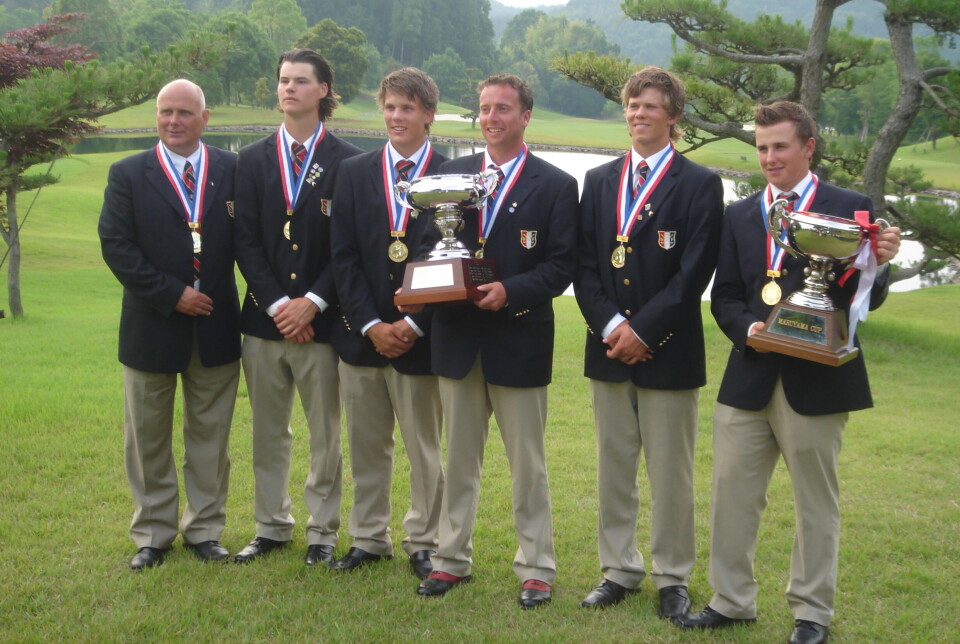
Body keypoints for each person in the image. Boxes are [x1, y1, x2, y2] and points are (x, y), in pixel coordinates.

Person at [674, 101, 902, 644]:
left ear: (808, 147)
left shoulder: (852, 208)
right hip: (750, 372)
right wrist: (748, 329)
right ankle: (730, 601)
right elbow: (725, 296)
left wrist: (881, 261)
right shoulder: (741, 212)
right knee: (731, 494)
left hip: (819, 380)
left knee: (815, 503)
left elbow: (866, 296)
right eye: (762, 147)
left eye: (780, 146)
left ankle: (811, 613)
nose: (769, 157)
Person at [411, 73, 578, 609]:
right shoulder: (448, 174)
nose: (491, 118)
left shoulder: (554, 184)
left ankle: (536, 568)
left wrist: (512, 290)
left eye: (503, 109)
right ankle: (450, 560)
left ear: (525, 116)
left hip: (519, 338)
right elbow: (427, 245)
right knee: (457, 460)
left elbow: (562, 265)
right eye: (484, 109)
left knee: (527, 464)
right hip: (458, 340)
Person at [573, 66, 723, 617]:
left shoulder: (701, 184)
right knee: (614, 467)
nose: (639, 115)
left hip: (669, 352)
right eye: (633, 106)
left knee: (670, 472)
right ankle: (618, 569)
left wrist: (643, 331)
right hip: (608, 349)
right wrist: (613, 327)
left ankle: (672, 577)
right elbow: (584, 265)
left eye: (651, 107)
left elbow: (694, 272)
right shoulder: (600, 180)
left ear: (674, 117)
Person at [99, 79, 241, 570]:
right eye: (165, 112)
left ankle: (204, 530)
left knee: (210, 439)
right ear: (155, 116)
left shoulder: (231, 169)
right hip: (151, 328)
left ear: (205, 118)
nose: (173, 121)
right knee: (147, 439)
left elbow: (252, 243)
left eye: (184, 113)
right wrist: (171, 294)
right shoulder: (128, 173)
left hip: (215, 328)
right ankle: (154, 534)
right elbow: (117, 247)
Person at [233, 49, 362, 566]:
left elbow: (348, 246)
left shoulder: (349, 162)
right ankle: (270, 526)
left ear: (324, 90)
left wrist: (311, 302)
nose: (289, 88)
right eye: (283, 80)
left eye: (301, 81)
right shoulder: (250, 158)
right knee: (268, 431)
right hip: (265, 324)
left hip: (323, 325)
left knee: (325, 434)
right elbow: (245, 240)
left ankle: (322, 533)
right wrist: (279, 304)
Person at [328, 67, 447, 579]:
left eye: (408, 108)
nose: (397, 117)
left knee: (424, 447)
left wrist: (411, 325)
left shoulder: (452, 173)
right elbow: (343, 256)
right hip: (361, 336)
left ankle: (424, 539)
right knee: (366, 444)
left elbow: (446, 257)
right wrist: (371, 323)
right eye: (390, 107)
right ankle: (368, 537)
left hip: (420, 339)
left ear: (427, 114)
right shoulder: (355, 172)